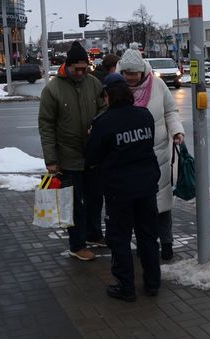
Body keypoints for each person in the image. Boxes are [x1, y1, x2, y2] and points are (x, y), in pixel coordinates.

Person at [86, 73, 161, 302]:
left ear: (108, 95)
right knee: (148, 237)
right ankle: (152, 283)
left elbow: (91, 158)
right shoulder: (144, 116)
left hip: (119, 191)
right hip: (147, 187)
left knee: (119, 238)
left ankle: (126, 287)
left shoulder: (103, 123)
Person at [38, 41, 106, 261]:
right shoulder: (52, 89)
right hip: (67, 158)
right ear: (67, 65)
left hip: (92, 155)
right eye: (76, 69)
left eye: (84, 69)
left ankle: (94, 234)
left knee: (95, 198)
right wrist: (51, 159)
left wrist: (97, 124)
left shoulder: (93, 83)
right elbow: (46, 126)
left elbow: (104, 108)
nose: (80, 73)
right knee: (73, 203)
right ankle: (76, 245)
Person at [116, 43, 185, 260]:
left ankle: (167, 243)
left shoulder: (158, 85)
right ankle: (147, 244)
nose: (130, 78)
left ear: (142, 71)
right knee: (139, 206)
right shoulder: (116, 89)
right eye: (126, 73)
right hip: (131, 156)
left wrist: (177, 132)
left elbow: (170, 111)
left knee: (162, 204)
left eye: (134, 73)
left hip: (159, 155)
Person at [85, 53, 121, 247]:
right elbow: (103, 109)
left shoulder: (99, 80)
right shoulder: (103, 84)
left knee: (96, 196)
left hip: (99, 144)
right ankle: (95, 232)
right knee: (97, 195)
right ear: (112, 68)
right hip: (98, 146)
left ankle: (95, 231)